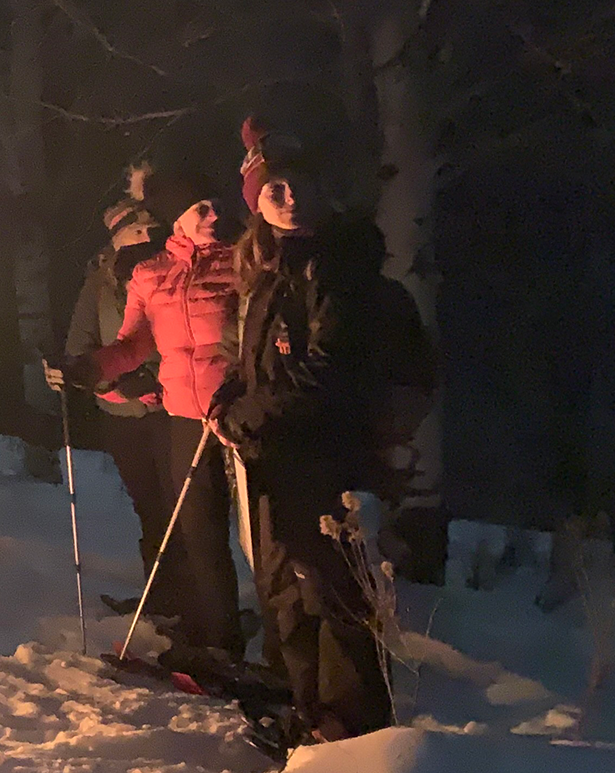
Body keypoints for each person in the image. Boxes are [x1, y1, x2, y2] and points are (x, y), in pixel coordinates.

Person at [210, 143, 395, 744]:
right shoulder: (274, 268)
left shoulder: (334, 267)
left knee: (331, 590)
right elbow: (260, 360)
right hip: (275, 450)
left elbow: (327, 369)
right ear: (257, 204)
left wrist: (245, 416)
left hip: (323, 451)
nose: (288, 200)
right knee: (285, 587)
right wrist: (229, 393)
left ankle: (351, 729)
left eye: (297, 186)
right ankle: (309, 710)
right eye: (274, 191)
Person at [56, 168, 247, 660]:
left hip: (242, 418)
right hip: (187, 417)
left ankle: (286, 652)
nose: (213, 215)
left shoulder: (243, 264)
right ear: (175, 218)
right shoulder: (150, 274)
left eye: (215, 205)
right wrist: (91, 367)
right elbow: (134, 343)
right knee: (198, 533)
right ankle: (217, 642)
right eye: (199, 208)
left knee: (261, 542)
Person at [58, 163, 174, 609]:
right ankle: (161, 595)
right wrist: (109, 387)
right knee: (149, 505)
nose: (147, 237)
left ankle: (199, 600)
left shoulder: (171, 271)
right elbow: (80, 345)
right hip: (122, 414)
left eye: (152, 229)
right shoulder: (100, 285)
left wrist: (155, 382)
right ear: (118, 237)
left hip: (171, 411)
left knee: (182, 507)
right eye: (137, 230)